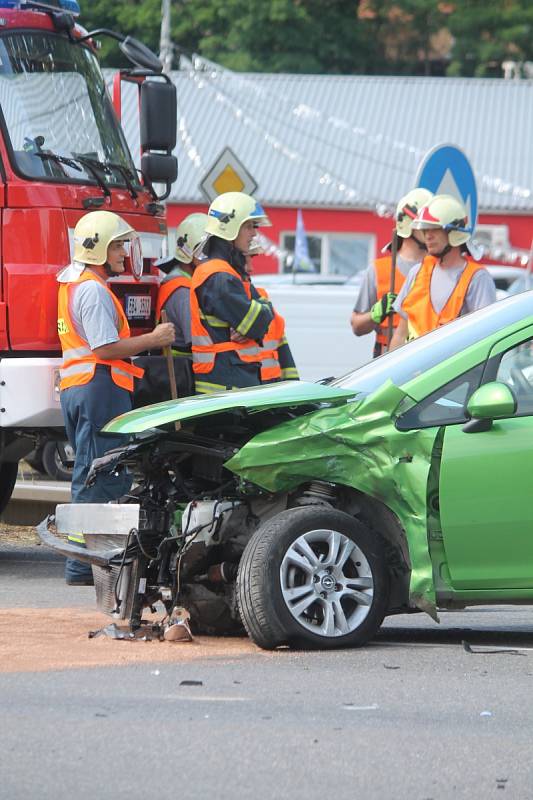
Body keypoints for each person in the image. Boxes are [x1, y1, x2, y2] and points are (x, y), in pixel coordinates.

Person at [57, 210, 175, 585]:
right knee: (102, 475)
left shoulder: (78, 284)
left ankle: (86, 562)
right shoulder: (92, 290)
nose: (124, 253)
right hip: (98, 387)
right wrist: (154, 340)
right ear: (98, 249)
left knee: (93, 472)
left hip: (88, 388)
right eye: (119, 245)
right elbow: (105, 348)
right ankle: (85, 565)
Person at [189, 191, 275, 394]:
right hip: (226, 388)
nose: (254, 233)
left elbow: (262, 317)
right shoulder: (219, 277)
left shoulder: (229, 273)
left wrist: (261, 312)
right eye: (248, 226)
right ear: (230, 229)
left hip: (233, 383)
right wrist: (259, 315)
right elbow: (256, 323)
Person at [390, 194, 497, 348]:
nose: (428, 236)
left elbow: (487, 338)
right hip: (416, 370)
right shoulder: (417, 272)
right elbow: (400, 334)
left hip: (457, 371)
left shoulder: (477, 279)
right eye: (425, 230)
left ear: (455, 232)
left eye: (434, 229)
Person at [351, 187, 434, 357]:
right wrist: (376, 314)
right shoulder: (378, 270)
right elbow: (356, 326)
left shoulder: (439, 269)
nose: (431, 231)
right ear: (408, 225)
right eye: (425, 225)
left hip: (428, 359)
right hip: (387, 362)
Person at [245, 243, 299, 383]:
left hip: (271, 393)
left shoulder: (263, 300)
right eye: (246, 259)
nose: (251, 267)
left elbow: (285, 357)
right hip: (249, 393)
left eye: (251, 259)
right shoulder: (224, 303)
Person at [155, 212, 209, 355]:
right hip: (184, 372)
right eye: (204, 251)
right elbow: (199, 340)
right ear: (188, 253)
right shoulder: (183, 292)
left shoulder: (186, 283)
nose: (210, 257)